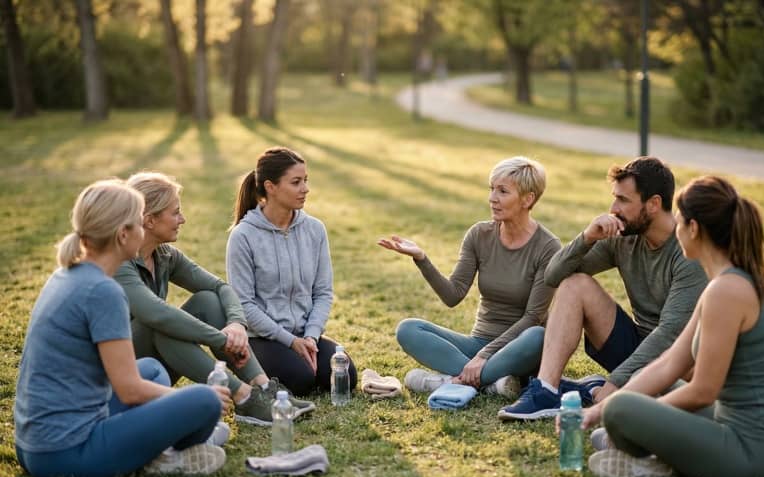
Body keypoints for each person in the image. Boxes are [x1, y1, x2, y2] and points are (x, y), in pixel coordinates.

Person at [582, 176, 764, 477]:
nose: (675, 230)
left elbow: (703, 391)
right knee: (635, 399)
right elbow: (671, 362)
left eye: (680, 222)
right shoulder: (721, 283)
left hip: (758, 451)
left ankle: (659, 462)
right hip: (731, 423)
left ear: (694, 229)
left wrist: (633, 413)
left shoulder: (727, 291)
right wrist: (598, 409)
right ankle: (652, 448)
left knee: (622, 411)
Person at [14, 180, 229, 477]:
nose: (143, 231)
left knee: (152, 368)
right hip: (67, 452)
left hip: (33, 445)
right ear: (123, 234)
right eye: (139, 223)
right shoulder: (103, 291)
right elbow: (129, 390)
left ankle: (155, 447)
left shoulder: (67, 273)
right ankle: (161, 457)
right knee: (205, 401)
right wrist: (190, 403)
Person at [499, 156, 707, 420]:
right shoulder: (623, 237)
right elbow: (552, 276)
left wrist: (617, 381)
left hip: (677, 361)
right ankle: (547, 390)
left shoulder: (688, 251)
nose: (613, 208)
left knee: (669, 396)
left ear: (653, 204)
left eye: (623, 200)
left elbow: (670, 334)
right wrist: (587, 238)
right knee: (575, 284)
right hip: (635, 347)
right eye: (614, 197)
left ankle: (602, 390)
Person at [115, 172, 314, 427]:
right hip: (118, 375)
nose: (182, 219)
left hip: (154, 366)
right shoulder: (119, 262)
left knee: (207, 300)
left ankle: (263, 387)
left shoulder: (165, 256)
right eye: (175, 213)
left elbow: (220, 287)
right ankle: (243, 397)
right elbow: (157, 314)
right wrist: (222, 340)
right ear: (149, 220)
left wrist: (236, 324)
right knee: (159, 325)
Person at [379, 156, 561, 398]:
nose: (492, 198)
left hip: (520, 348)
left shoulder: (548, 247)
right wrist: (421, 258)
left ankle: (451, 380)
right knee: (408, 329)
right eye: (492, 189)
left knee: (538, 336)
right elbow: (453, 295)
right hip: (478, 343)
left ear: (528, 199)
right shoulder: (479, 235)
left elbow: (532, 317)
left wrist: (483, 356)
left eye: (503, 191)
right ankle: (489, 383)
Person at [226, 147, 356, 396]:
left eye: (305, 180)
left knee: (345, 376)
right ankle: (258, 370)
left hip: (305, 335)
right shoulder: (243, 236)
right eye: (296, 182)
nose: (305, 188)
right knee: (302, 380)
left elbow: (323, 292)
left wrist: (311, 337)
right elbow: (244, 304)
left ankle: (305, 352)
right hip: (263, 338)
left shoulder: (315, 230)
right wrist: (290, 341)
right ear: (270, 187)